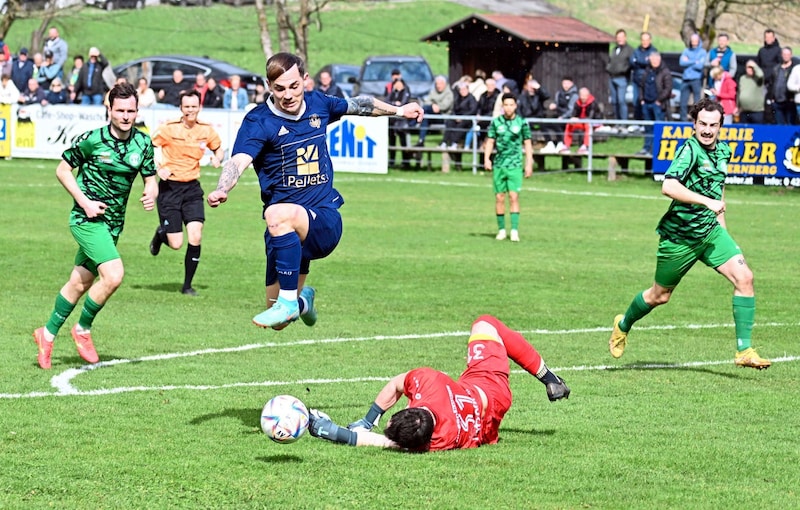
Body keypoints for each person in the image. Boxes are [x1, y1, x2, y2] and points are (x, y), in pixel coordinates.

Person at [205, 52, 423, 329]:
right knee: (279, 322)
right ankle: (301, 302)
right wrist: (223, 188)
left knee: (276, 213)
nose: (288, 94)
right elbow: (238, 161)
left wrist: (401, 110)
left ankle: (287, 302)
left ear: (305, 80)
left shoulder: (319, 103)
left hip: (323, 219)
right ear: (269, 87)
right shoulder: (258, 122)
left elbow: (360, 105)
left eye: (294, 86)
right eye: (280, 88)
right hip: (284, 231)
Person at [608, 98, 770, 370]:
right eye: (702, 124)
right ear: (694, 124)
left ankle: (744, 350)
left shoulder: (722, 152)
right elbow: (668, 185)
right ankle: (623, 324)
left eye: (713, 125)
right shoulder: (690, 151)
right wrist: (706, 203)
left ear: (721, 126)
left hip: (710, 233)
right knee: (659, 296)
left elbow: (718, 190)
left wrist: (723, 229)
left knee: (745, 277)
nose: (707, 130)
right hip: (679, 238)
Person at [306, 314, 570, 451]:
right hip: (488, 388)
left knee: (485, 324)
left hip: (485, 416)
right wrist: (336, 431)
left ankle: (550, 378)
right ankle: (550, 379)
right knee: (486, 323)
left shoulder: (437, 440)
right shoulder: (430, 382)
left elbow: (387, 442)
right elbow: (398, 385)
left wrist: (361, 424)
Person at [31, 82, 157, 370]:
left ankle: (46, 334)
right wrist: (85, 201)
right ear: (109, 109)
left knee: (79, 283)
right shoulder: (92, 139)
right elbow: (62, 169)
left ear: (138, 111)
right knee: (113, 276)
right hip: (86, 220)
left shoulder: (143, 143)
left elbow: (150, 178)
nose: (125, 116)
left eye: (131, 111)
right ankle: (83, 329)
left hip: (113, 226)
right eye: (120, 110)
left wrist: (152, 192)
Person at [148, 90, 224, 296]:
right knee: (176, 243)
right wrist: (158, 167)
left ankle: (187, 286)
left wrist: (217, 157)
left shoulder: (206, 130)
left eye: (194, 106)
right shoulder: (168, 129)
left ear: (199, 107)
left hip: (192, 189)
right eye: (186, 107)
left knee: (196, 236)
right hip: (170, 189)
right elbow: (148, 148)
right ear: (181, 108)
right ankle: (160, 234)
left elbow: (218, 148)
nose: (190, 110)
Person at [483, 93, 533, 243]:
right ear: (502, 106)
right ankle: (501, 230)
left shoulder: (522, 123)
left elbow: (528, 143)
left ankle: (515, 230)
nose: (509, 107)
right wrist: (487, 158)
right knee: (499, 197)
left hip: (515, 165)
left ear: (515, 106)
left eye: (511, 105)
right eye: (506, 105)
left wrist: (529, 162)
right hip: (499, 164)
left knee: (514, 196)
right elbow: (490, 141)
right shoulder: (496, 123)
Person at [637, 51, 672, 156]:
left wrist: (659, 100)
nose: (655, 62)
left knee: (659, 128)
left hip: (658, 104)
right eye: (653, 60)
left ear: (660, 59)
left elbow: (668, 88)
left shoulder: (665, 72)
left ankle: (657, 150)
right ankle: (646, 148)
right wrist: (641, 99)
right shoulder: (647, 71)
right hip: (646, 103)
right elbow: (641, 86)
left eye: (656, 59)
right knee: (648, 128)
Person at [560, 86, 600, 155]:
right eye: (581, 95)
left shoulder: (593, 103)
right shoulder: (577, 102)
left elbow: (591, 117)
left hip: (593, 123)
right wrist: (573, 119)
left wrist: (579, 119)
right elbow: (574, 114)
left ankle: (586, 146)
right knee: (569, 124)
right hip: (581, 122)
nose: (583, 97)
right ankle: (566, 145)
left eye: (585, 96)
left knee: (588, 124)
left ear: (588, 95)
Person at [415, 75, 453, 146]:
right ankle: (421, 141)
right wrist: (433, 105)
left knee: (425, 110)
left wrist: (436, 106)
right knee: (425, 116)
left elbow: (445, 106)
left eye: (440, 84)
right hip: (432, 114)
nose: (438, 86)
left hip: (443, 117)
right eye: (437, 84)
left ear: (444, 84)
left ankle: (412, 121)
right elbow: (427, 102)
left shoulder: (449, 93)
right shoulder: (433, 91)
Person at [679, 34, 707, 122]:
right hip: (685, 79)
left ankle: (696, 119)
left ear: (698, 41)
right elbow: (682, 63)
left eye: (695, 41)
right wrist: (695, 61)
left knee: (697, 102)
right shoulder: (686, 51)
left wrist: (689, 61)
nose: (694, 42)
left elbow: (700, 66)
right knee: (683, 101)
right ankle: (683, 120)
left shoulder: (702, 52)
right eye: (692, 40)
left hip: (696, 79)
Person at [629, 32, 658, 122]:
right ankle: (637, 122)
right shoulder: (636, 50)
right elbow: (632, 62)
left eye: (646, 40)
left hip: (648, 82)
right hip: (636, 80)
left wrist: (639, 62)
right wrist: (644, 62)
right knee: (636, 102)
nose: (645, 42)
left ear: (650, 40)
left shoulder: (653, 51)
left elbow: (651, 63)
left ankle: (647, 123)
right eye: (643, 40)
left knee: (647, 103)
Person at [607, 28, 633, 122]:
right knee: (614, 101)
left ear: (625, 37)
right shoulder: (614, 49)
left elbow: (630, 64)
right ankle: (616, 121)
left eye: (621, 37)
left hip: (622, 78)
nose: (619, 39)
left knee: (621, 101)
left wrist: (624, 70)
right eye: (618, 37)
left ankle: (623, 122)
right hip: (612, 77)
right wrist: (609, 68)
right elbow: (610, 61)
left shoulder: (629, 50)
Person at [756, 29, 782, 124]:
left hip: (773, 83)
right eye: (766, 37)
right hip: (762, 83)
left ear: (774, 38)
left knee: (772, 106)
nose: (768, 39)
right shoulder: (761, 51)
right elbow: (758, 65)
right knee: (762, 105)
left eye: (770, 37)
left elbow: (780, 67)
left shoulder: (779, 51)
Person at [386, 77, 412, 168]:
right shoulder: (392, 92)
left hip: (402, 121)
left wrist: (396, 105)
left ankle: (405, 162)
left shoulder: (405, 92)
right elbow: (387, 102)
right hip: (392, 121)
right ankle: (391, 161)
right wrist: (394, 103)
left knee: (403, 142)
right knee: (391, 141)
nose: (397, 85)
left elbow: (404, 103)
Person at [548, 76, 578, 152]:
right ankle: (550, 143)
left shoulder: (574, 95)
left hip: (569, 117)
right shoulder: (558, 93)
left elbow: (571, 110)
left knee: (557, 124)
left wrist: (563, 117)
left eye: (568, 83)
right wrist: (553, 105)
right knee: (545, 123)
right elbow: (556, 103)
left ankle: (561, 143)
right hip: (559, 116)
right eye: (564, 83)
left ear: (572, 84)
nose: (566, 85)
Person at [770, 47, 797, 125]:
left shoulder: (794, 69)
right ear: (781, 55)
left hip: (789, 101)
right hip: (777, 102)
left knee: (790, 125)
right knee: (779, 125)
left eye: (787, 54)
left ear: (791, 55)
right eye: (784, 54)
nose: (786, 56)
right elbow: (772, 84)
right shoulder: (776, 68)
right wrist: (772, 97)